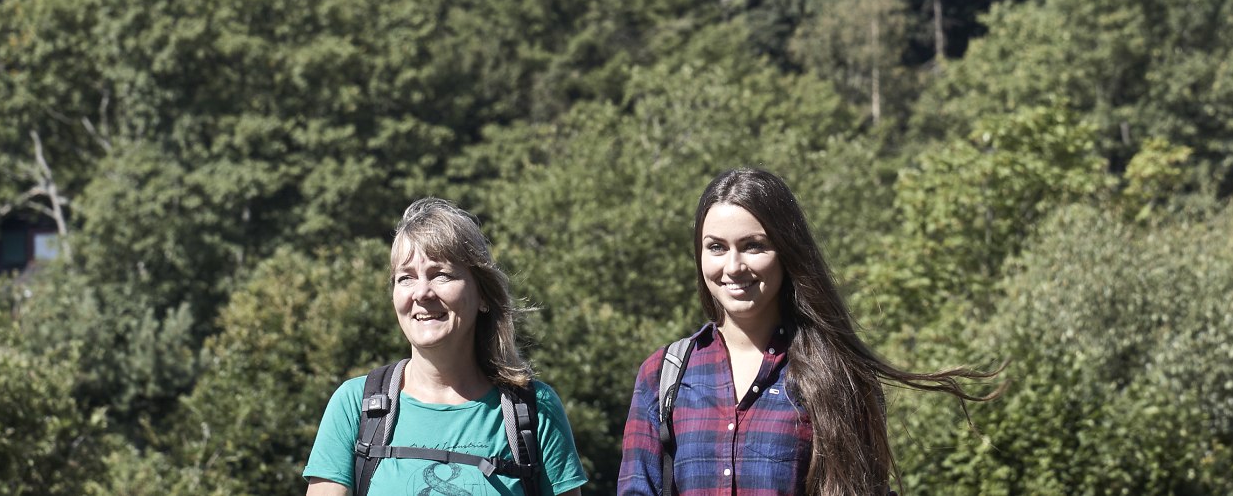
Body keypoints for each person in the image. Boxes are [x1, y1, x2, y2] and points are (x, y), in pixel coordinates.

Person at [617, 167, 999, 496]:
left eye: (753, 246)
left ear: (787, 252)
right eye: (716, 247)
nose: (732, 266)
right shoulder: (662, 375)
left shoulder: (839, 375)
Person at [304, 197, 588, 496]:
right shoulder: (356, 406)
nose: (422, 293)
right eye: (406, 278)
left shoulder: (533, 409)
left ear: (482, 295)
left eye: (441, 275)